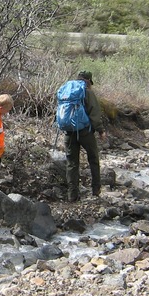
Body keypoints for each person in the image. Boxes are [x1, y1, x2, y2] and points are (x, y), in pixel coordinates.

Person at [64, 70, 106, 202]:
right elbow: (94, 113)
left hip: (69, 131)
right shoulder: (88, 92)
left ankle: (72, 195)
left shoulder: (67, 90)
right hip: (85, 132)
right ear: (88, 81)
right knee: (93, 159)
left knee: (72, 163)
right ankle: (96, 190)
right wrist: (100, 130)